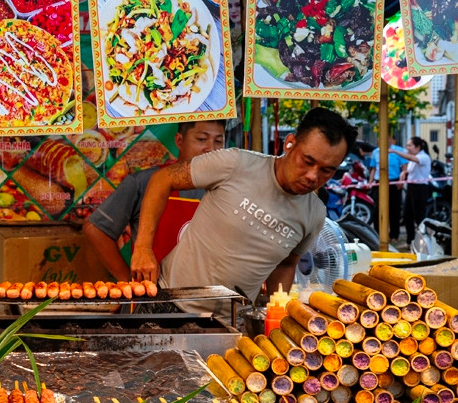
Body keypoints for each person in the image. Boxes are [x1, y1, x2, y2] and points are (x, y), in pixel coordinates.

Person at [129, 107, 357, 309]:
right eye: (307, 161)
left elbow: (287, 264)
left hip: (233, 323)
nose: (312, 176)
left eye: (327, 171)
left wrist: (273, 311)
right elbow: (163, 179)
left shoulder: (314, 214)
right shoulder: (235, 163)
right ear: (289, 143)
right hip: (169, 302)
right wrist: (142, 248)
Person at [84, 120, 227, 281]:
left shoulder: (225, 188)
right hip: (152, 297)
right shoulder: (143, 182)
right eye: (201, 139)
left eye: (218, 141)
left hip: (204, 297)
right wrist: (126, 280)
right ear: (179, 141)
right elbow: (96, 229)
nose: (211, 149)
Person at [390, 136, 432, 245]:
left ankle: (424, 242)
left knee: (419, 217)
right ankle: (410, 241)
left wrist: (395, 151)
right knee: (407, 215)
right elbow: (408, 170)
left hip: (420, 188)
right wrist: (403, 174)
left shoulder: (423, 157)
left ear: (418, 147)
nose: (408, 148)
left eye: (410, 145)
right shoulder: (415, 157)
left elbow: (411, 159)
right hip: (411, 188)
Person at [363, 141, 402, 243]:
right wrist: (370, 182)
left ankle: (394, 236)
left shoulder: (398, 150)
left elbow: (404, 167)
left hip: (394, 183)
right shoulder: (376, 152)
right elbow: (373, 169)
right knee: (377, 211)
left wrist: (402, 179)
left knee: (394, 210)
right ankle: (378, 235)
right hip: (378, 183)